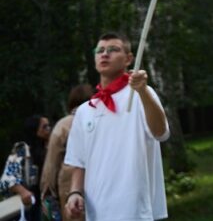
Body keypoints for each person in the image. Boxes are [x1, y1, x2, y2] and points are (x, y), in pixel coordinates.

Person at [64, 32, 169, 221]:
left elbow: (160, 132)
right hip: (97, 213)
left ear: (129, 59)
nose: (105, 54)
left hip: (134, 211)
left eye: (113, 49)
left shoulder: (141, 95)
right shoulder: (84, 111)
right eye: (100, 50)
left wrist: (143, 91)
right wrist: (74, 193)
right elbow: (79, 162)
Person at [40, 84, 93, 215]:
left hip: (70, 187)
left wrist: (47, 190)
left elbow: (52, 162)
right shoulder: (102, 118)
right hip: (98, 184)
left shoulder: (63, 125)